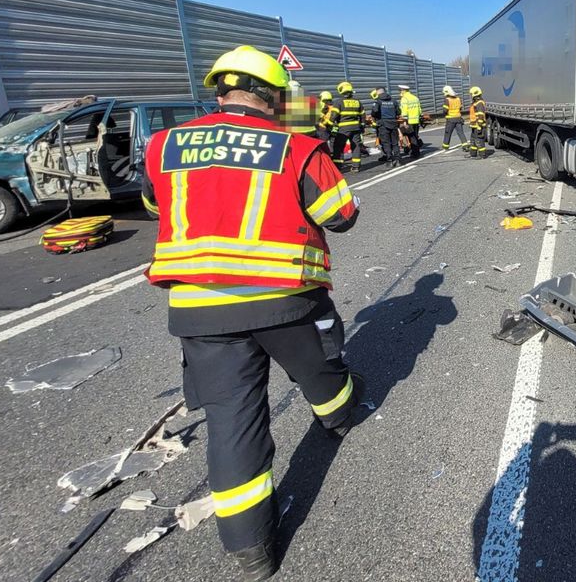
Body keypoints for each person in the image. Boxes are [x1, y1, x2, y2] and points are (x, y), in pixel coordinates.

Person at [140, 45, 361, 581]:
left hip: (198, 307)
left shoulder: (163, 144)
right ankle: (337, 416)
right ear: (273, 98)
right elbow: (342, 215)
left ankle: (251, 551)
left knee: (232, 424)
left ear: (220, 90)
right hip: (285, 298)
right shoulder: (297, 147)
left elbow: (154, 205)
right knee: (321, 369)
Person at [333, 82, 364, 173]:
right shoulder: (357, 102)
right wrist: (362, 125)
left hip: (343, 129)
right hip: (356, 128)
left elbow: (334, 115)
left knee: (338, 146)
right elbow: (362, 115)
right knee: (356, 146)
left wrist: (330, 125)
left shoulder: (339, 102)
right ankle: (356, 167)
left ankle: (338, 166)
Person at [370, 87, 401, 165]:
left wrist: (377, 117)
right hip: (393, 123)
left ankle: (390, 159)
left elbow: (374, 112)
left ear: (377, 93)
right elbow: (398, 112)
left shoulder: (378, 102)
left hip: (383, 124)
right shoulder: (393, 101)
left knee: (386, 142)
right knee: (395, 142)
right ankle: (397, 160)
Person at [397, 84, 423, 159]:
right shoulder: (415, 98)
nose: (400, 92)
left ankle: (415, 153)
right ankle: (414, 150)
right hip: (416, 120)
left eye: (400, 90)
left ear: (403, 91)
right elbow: (420, 110)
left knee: (411, 137)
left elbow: (404, 112)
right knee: (414, 136)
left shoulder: (404, 99)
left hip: (409, 121)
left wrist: (404, 122)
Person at [440, 85, 468, 150]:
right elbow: (460, 108)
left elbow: (445, 110)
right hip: (458, 118)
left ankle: (445, 146)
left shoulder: (447, 100)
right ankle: (465, 145)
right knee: (461, 132)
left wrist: (445, 114)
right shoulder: (458, 99)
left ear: (446, 92)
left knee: (448, 133)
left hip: (450, 119)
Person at [468, 86, 488, 159]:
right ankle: (473, 154)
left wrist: (479, 126)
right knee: (473, 140)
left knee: (479, 141)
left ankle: (482, 155)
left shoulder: (479, 103)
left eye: (472, 95)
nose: (471, 96)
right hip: (474, 126)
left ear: (474, 94)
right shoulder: (475, 103)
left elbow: (481, 115)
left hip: (478, 126)